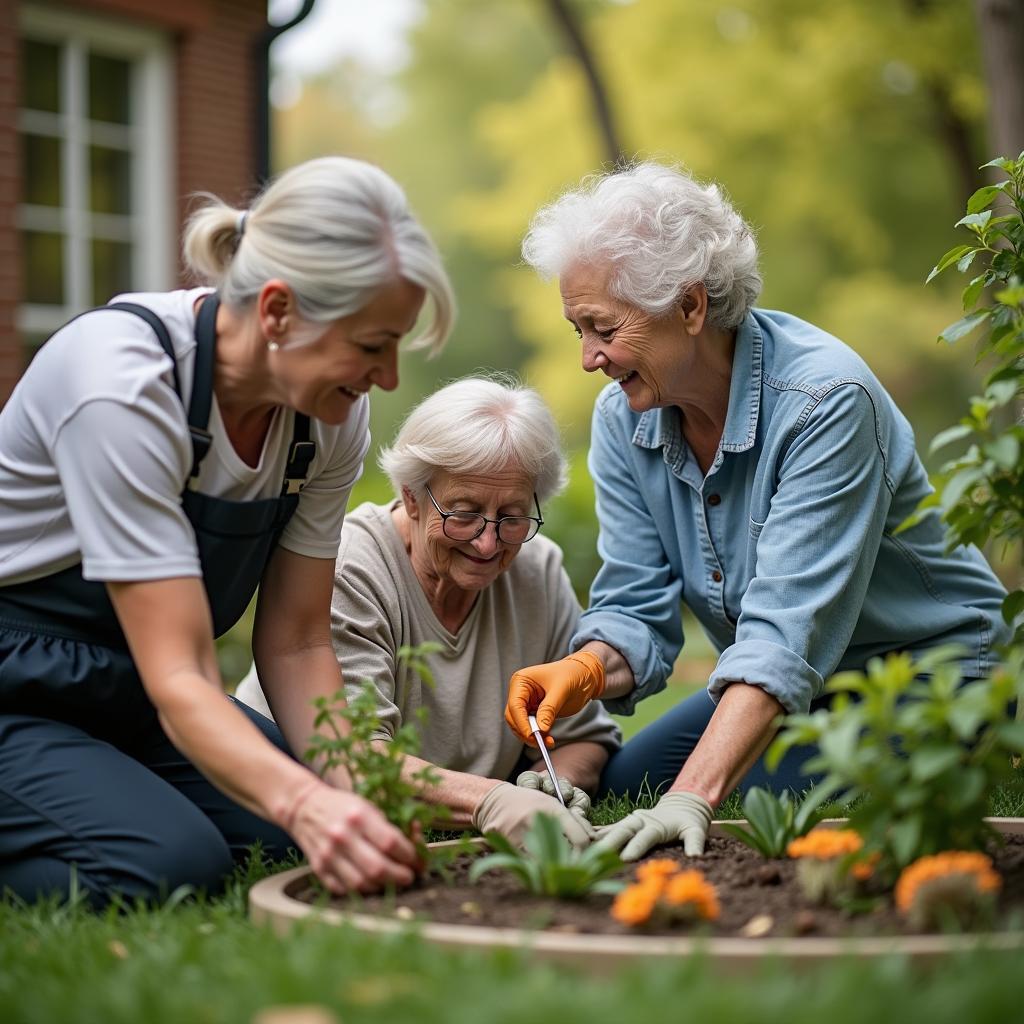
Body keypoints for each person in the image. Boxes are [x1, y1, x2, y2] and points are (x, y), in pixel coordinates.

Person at [504, 161, 1011, 861]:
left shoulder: (825, 401)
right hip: (797, 682)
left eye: (602, 328)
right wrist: (586, 668)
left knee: (731, 791)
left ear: (689, 307)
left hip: (927, 673)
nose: (589, 357)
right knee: (626, 781)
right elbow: (636, 602)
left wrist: (695, 796)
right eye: (577, 330)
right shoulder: (626, 417)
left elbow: (784, 633)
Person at [0, 156, 456, 905]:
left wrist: (352, 795)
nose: (388, 376)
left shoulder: (325, 418)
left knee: (281, 849)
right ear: (278, 311)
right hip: (19, 685)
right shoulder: (124, 384)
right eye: (372, 345)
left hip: (132, 691)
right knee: (167, 862)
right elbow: (180, 671)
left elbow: (300, 639)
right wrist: (309, 803)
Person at [237, 377, 621, 849]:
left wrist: (553, 784)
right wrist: (492, 802)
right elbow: (357, 758)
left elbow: (583, 737)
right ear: (413, 497)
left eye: (513, 516)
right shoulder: (350, 568)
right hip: (284, 799)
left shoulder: (538, 569)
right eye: (464, 512)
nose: (488, 542)